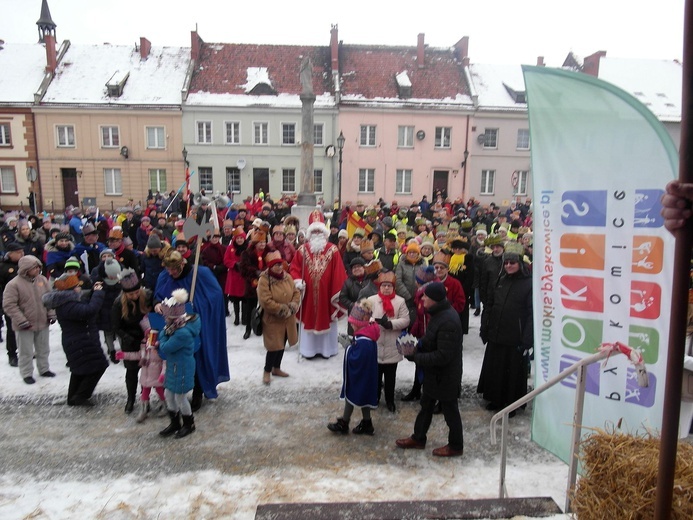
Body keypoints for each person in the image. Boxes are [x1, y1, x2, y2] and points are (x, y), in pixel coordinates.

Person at [154, 249, 229, 411]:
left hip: (196, 326)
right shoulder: (165, 276)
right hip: (173, 327)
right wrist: (157, 303)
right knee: (175, 360)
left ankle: (198, 391)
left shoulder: (201, 274)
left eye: (174, 269)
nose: (171, 273)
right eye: (168, 269)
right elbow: (157, 295)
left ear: (182, 264)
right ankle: (174, 392)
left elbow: (216, 297)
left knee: (197, 358)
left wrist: (196, 306)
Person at [396, 281, 464, 457]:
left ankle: (456, 446)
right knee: (426, 406)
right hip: (435, 375)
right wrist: (415, 346)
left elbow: (443, 356)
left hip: (446, 376)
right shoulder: (438, 314)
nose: (422, 298)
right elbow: (430, 338)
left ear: (434, 299)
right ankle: (418, 438)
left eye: (426, 296)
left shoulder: (448, 320)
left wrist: (416, 357)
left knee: (450, 412)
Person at [477, 242, 533, 414]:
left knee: (512, 372)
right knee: (495, 368)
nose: (508, 265)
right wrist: (484, 327)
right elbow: (490, 304)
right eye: (506, 263)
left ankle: (511, 404)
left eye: (512, 263)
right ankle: (495, 398)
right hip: (496, 332)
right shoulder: (501, 279)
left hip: (515, 336)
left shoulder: (528, 283)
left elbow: (532, 314)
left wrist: (527, 340)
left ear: (520, 264)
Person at [42, 273, 109, 407]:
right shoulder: (68, 304)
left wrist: (92, 291)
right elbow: (89, 310)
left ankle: (73, 397)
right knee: (99, 365)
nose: (79, 288)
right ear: (72, 289)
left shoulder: (65, 301)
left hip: (77, 341)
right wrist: (97, 294)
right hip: (81, 341)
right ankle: (81, 396)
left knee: (79, 369)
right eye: (77, 286)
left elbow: (83, 302)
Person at [289, 210, 348, 359]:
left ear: (324, 231)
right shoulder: (302, 250)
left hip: (327, 295)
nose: (316, 233)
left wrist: (336, 290)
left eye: (319, 230)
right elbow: (294, 268)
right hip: (308, 294)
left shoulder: (333, 250)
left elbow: (339, 272)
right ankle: (308, 350)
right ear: (309, 232)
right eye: (313, 230)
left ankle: (327, 349)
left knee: (327, 318)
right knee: (308, 318)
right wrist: (297, 281)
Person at [112, 268, 164, 423]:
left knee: (150, 368)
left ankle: (146, 397)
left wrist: (156, 304)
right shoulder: (118, 304)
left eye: (136, 293)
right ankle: (131, 398)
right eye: (131, 294)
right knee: (132, 369)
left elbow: (156, 300)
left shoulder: (147, 295)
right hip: (130, 339)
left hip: (148, 337)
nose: (134, 296)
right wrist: (126, 337)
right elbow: (115, 326)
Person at [327, 299, 381, 435]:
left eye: (353, 324)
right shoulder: (368, 333)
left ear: (361, 322)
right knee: (364, 399)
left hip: (360, 376)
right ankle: (367, 422)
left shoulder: (364, 341)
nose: (351, 325)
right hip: (366, 376)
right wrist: (352, 341)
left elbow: (357, 357)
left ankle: (344, 423)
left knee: (351, 395)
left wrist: (348, 347)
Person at [3, 255, 55, 384]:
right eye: (34, 267)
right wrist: (21, 320)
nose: (37, 270)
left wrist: (51, 314)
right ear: (26, 269)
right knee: (25, 351)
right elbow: (9, 305)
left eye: (38, 267)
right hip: (24, 325)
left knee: (43, 348)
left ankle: (44, 369)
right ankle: (26, 373)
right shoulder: (13, 284)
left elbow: (50, 298)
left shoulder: (42, 280)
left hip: (42, 322)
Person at [158, 288, 201, 439]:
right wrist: (165, 332)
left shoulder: (181, 333)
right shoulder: (174, 328)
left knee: (180, 397)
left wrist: (161, 335)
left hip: (182, 368)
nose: (164, 320)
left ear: (174, 317)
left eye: (166, 317)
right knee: (168, 395)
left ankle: (189, 424)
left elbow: (165, 347)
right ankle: (175, 422)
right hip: (174, 366)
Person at [367, 271, 410, 413]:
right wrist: (372, 322)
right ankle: (375, 398)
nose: (386, 288)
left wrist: (391, 324)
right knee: (376, 377)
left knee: (391, 378)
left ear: (394, 288)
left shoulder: (400, 301)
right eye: (384, 286)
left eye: (389, 286)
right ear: (379, 287)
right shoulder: (371, 300)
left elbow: (405, 320)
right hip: (376, 344)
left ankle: (390, 400)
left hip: (392, 345)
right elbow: (364, 316)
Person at [256, 250, 300, 385]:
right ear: (270, 266)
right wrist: (281, 309)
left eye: (280, 264)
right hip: (273, 319)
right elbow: (265, 300)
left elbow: (296, 292)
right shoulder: (264, 280)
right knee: (274, 346)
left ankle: (277, 368)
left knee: (282, 344)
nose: (279, 267)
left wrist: (293, 305)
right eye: (276, 265)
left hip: (288, 319)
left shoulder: (287, 277)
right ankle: (267, 371)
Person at [239, 230, 267, 339]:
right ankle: (248, 329)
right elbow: (244, 268)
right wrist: (256, 273)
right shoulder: (246, 253)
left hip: (265, 284)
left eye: (264, 242)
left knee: (265, 307)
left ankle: (261, 328)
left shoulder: (268, 252)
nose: (262, 244)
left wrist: (265, 272)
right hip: (252, 284)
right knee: (251, 308)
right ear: (255, 243)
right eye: (260, 242)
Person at [0, 242, 24, 367]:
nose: (22, 254)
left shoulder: (26, 264)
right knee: (12, 329)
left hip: (26, 301)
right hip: (11, 302)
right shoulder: (3, 267)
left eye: (22, 252)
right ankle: (12, 354)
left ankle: (26, 351)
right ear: (10, 254)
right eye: (18, 252)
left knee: (28, 328)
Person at [224, 226, 248, 326]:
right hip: (234, 276)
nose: (239, 240)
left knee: (244, 299)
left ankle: (244, 318)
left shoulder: (248, 248)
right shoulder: (230, 248)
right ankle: (237, 318)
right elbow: (226, 260)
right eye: (237, 238)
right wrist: (234, 264)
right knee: (235, 300)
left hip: (244, 277)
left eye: (241, 238)